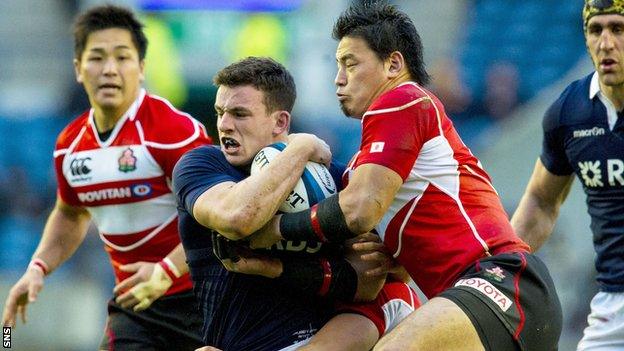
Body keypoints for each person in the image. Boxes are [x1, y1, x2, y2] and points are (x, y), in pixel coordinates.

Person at [247, 3, 563, 350]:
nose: (338, 78)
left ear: (394, 64)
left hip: (500, 284)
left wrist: (274, 231)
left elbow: (358, 210)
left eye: (350, 64)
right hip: (497, 301)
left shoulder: (403, 100)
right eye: (337, 65)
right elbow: (392, 269)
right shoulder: (368, 166)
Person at [173, 56, 419, 351]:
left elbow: (366, 283)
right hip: (236, 344)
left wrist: (275, 267)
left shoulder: (333, 179)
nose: (224, 125)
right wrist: (301, 147)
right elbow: (237, 217)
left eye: (239, 114)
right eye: (220, 112)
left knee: (396, 295)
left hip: (320, 338)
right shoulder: (201, 165)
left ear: (280, 122)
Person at [1, 5, 210, 350]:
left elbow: (216, 221)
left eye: (122, 57)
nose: (109, 69)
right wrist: (38, 267)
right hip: (135, 308)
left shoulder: (175, 132)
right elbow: (71, 214)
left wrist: (167, 271)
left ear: (141, 68)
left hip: (202, 302)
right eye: (96, 57)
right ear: (78, 69)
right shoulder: (69, 145)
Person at [511, 1, 624, 350]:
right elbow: (542, 201)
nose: (605, 42)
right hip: (613, 304)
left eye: (618, 29)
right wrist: (502, 265)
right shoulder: (570, 111)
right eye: (595, 30)